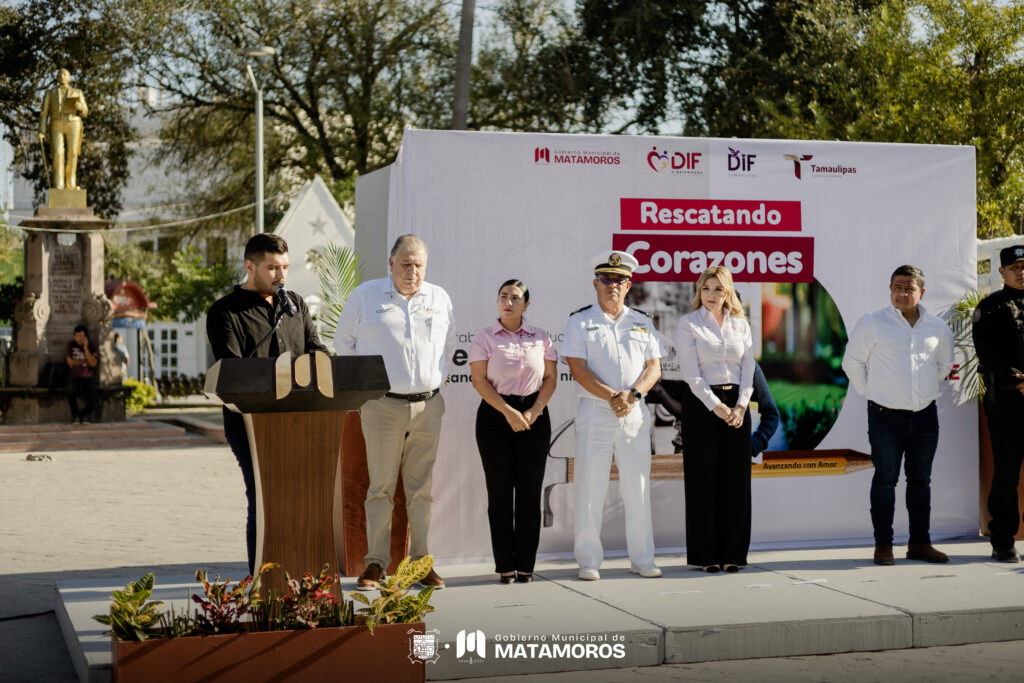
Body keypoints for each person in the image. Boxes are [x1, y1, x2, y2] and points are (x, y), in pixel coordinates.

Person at [335, 234, 452, 590]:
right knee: (381, 489)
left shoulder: (439, 298)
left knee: (422, 491)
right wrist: (364, 393)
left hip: (428, 406)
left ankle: (420, 563)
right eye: (405, 264)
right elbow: (344, 344)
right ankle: (376, 564)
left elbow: (444, 347)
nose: (412, 272)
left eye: (418, 265)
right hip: (383, 406)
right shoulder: (365, 297)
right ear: (390, 264)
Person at [206, 233, 327, 575]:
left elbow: (316, 350)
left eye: (285, 267)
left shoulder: (296, 305)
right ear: (250, 266)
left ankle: (303, 576)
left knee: (303, 500)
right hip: (249, 424)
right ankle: (264, 578)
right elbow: (232, 370)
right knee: (264, 499)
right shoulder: (224, 312)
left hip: (301, 420)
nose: (281, 275)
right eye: (272, 267)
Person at [562, 251, 664, 581]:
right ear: (595, 283)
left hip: (633, 414)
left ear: (629, 284)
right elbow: (577, 368)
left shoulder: (642, 321)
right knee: (591, 487)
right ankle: (588, 560)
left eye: (619, 280)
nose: (613, 286)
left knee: (637, 487)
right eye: (606, 280)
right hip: (595, 414)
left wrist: (631, 396)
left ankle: (642, 558)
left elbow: (654, 367)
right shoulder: (579, 320)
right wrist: (613, 397)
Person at [842, 265, 953, 566]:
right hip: (884, 416)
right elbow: (851, 363)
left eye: (909, 288)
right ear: (890, 289)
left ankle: (920, 543)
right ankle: (884, 546)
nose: (902, 293)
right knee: (885, 479)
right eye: (897, 287)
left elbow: (944, 367)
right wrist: (873, 393)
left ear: (922, 292)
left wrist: (923, 391)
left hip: (925, 416)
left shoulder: (937, 327)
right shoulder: (872, 323)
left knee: (920, 480)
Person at [470, 279, 557, 584]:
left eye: (515, 298)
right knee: (500, 493)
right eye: (503, 297)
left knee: (530, 494)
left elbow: (549, 378)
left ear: (526, 305)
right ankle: (505, 565)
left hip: (535, 416)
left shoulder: (541, 337)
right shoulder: (484, 337)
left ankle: (526, 567)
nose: (508, 302)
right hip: (495, 417)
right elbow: (479, 380)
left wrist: (533, 411)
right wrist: (508, 412)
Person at [675, 266, 753, 573]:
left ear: (728, 291)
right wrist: (715, 406)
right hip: (701, 406)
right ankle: (705, 556)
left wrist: (742, 406)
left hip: (737, 408)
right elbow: (690, 373)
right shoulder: (688, 324)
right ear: (699, 292)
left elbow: (749, 369)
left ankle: (734, 554)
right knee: (702, 482)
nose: (711, 296)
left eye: (718, 289)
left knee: (736, 483)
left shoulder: (741, 325)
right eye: (705, 289)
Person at [973, 246, 1024, 563]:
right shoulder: (990, 308)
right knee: (1007, 472)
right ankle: (1003, 539)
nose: (1021, 271)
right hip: (1008, 402)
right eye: (1015, 266)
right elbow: (986, 353)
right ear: (1002, 272)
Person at [38, 68, 88, 190]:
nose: (62, 75)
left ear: (69, 77)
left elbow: (85, 112)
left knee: (73, 153)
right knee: (58, 153)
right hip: (57, 123)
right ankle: (59, 183)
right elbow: (44, 112)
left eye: (65, 74)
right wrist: (42, 130)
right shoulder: (50, 93)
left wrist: (80, 107)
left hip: (73, 123)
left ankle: (71, 183)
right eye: (59, 74)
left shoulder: (77, 92)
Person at [65, 324, 98, 424]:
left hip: (88, 376)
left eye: (81, 336)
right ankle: (75, 415)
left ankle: (85, 415)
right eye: (77, 336)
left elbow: (93, 363)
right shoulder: (70, 344)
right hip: (74, 376)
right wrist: (85, 362)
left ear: (86, 336)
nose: (79, 338)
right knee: (70, 389)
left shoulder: (92, 346)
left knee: (93, 392)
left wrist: (85, 348)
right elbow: (70, 362)